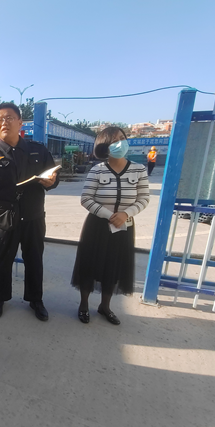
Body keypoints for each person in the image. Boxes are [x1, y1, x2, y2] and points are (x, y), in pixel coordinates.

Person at [0, 103, 59, 321]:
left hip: (33, 216)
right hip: (4, 217)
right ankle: (0, 298)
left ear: (20, 122)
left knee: (34, 259)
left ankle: (35, 300)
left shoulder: (38, 150)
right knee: (3, 260)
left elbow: (52, 179)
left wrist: (51, 182)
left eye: (9, 118)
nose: (3, 123)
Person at [71, 127, 150, 325]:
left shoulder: (139, 170)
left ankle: (105, 306)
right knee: (89, 265)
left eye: (122, 138)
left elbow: (144, 198)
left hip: (124, 226)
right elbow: (86, 199)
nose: (120, 143)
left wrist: (125, 214)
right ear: (104, 146)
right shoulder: (97, 170)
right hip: (97, 226)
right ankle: (83, 305)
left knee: (113, 267)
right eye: (114, 141)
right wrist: (109, 215)